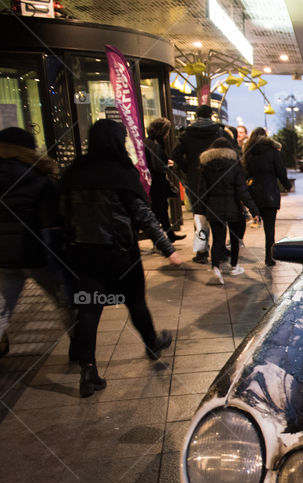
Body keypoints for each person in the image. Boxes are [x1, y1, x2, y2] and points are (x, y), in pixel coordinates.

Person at [60, 119, 183, 397]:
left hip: (83, 253)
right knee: (135, 302)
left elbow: (63, 214)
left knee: (89, 309)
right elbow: (143, 215)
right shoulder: (121, 171)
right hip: (120, 254)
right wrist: (168, 249)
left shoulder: (74, 172)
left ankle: (88, 370)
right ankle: (152, 343)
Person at [0, 127, 73, 357]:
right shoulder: (39, 176)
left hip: (3, 257)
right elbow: (54, 220)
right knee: (64, 300)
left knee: (3, 308)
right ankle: (80, 347)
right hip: (39, 253)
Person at [198, 138, 260, 284]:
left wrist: (201, 210)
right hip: (233, 207)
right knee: (234, 239)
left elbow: (202, 191)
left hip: (214, 207)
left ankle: (215, 267)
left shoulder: (206, 166)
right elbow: (242, 190)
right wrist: (254, 210)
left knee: (217, 239)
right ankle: (234, 266)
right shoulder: (234, 165)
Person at [172, 104, 228, 264]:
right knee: (218, 215)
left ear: (197, 116)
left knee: (199, 216)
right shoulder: (219, 132)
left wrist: (188, 169)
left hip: (195, 180)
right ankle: (220, 250)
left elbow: (175, 154)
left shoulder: (186, 134)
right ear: (211, 116)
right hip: (216, 178)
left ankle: (202, 252)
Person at [242, 127, 292, 266]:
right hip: (270, 193)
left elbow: (245, 173)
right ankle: (269, 257)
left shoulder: (248, 152)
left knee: (256, 218)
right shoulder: (273, 152)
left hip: (254, 192)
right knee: (269, 228)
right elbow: (280, 171)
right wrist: (287, 185)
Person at [145, 117, 186, 244]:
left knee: (162, 209)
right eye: (167, 131)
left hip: (153, 181)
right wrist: (169, 166)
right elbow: (157, 165)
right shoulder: (156, 144)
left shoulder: (148, 142)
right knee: (158, 210)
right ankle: (159, 241)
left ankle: (170, 235)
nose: (168, 134)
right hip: (157, 182)